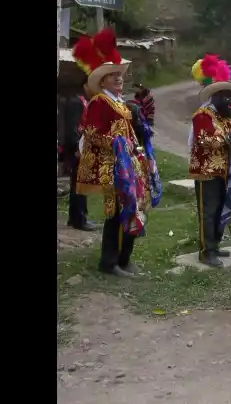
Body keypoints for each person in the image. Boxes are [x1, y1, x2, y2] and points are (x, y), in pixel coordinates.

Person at [73, 28, 156, 278]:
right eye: (112, 75)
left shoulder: (120, 102)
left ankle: (124, 258)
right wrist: (118, 144)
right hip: (114, 168)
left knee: (133, 210)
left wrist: (138, 149)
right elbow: (92, 133)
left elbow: (129, 133)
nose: (119, 78)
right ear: (102, 81)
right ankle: (109, 263)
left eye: (119, 74)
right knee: (118, 214)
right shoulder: (100, 102)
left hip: (130, 166)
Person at [188, 54, 231, 268]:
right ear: (216, 96)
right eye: (226, 96)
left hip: (224, 172)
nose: (230, 100)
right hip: (206, 172)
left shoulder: (224, 118)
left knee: (221, 209)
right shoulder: (202, 115)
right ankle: (205, 251)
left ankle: (215, 244)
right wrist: (226, 140)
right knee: (208, 211)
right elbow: (204, 141)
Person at [62, 78, 96, 231]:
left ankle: (74, 218)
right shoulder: (77, 102)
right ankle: (79, 220)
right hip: (77, 149)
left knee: (77, 183)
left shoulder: (81, 101)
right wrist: (77, 147)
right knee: (80, 184)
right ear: (85, 86)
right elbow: (72, 128)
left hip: (79, 147)